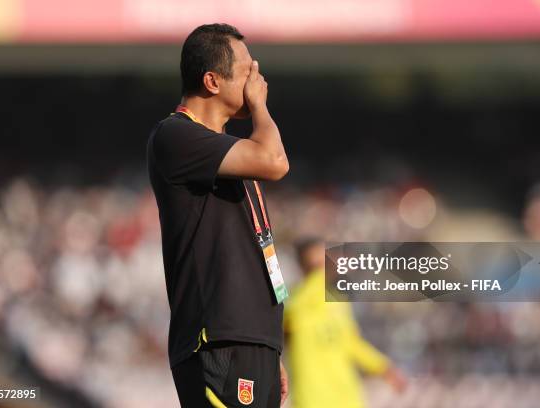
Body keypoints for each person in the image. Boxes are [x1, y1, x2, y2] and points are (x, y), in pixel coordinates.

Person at [146, 23, 289, 407]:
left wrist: (269, 343)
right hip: (217, 340)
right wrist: (260, 106)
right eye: (246, 71)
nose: (257, 79)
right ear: (212, 80)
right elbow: (276, 162)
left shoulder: (228, 151)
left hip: (253, 341)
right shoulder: (175, 137)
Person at [284, 237, 407, 408]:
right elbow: (292, 319)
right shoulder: (295, 301)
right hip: (313, 395)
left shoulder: (335, 300)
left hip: (344, 394)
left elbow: (351, 343)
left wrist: (383, 367)